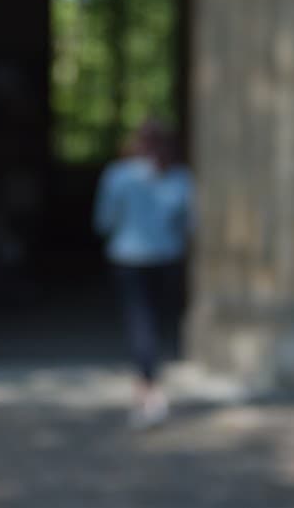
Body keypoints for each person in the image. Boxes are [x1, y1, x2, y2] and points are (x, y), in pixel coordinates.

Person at [93, 120, 193, 429]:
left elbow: (104, 220)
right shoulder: (179, 179)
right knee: (156, 320)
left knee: (140, 321)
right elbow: (190, 223)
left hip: (130, 257)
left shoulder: (119, 177)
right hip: (166, 257)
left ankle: (146, 389)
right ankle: (150, 387)